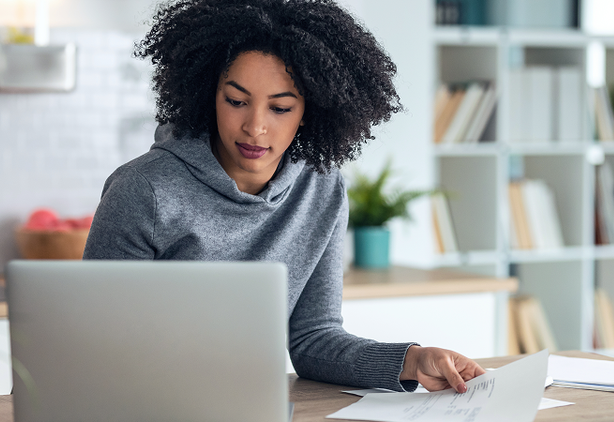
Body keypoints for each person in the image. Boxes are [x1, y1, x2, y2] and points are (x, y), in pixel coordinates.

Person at [83, 0, 485, 393]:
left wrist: (410, 361)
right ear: (210, 93)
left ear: (308, 110)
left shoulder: (322, 189)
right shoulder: (143, 191)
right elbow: (91, 345)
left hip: (255, 403)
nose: (255, 127)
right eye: (237, 101)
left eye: (280, 108)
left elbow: (314, 339)